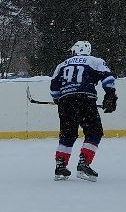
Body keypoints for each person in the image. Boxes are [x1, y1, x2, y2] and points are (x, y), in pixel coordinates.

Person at [48, 40, 117, 181]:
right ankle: (84, 163)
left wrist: (58, 100)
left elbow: (54, 88)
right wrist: (110, 95)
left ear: (75, 51)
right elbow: (108, 78)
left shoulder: (62, 65)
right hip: (85, 100)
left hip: (66, 102)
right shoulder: (94, 61)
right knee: (94, 132)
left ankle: (60, 166)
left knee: (67, 134)